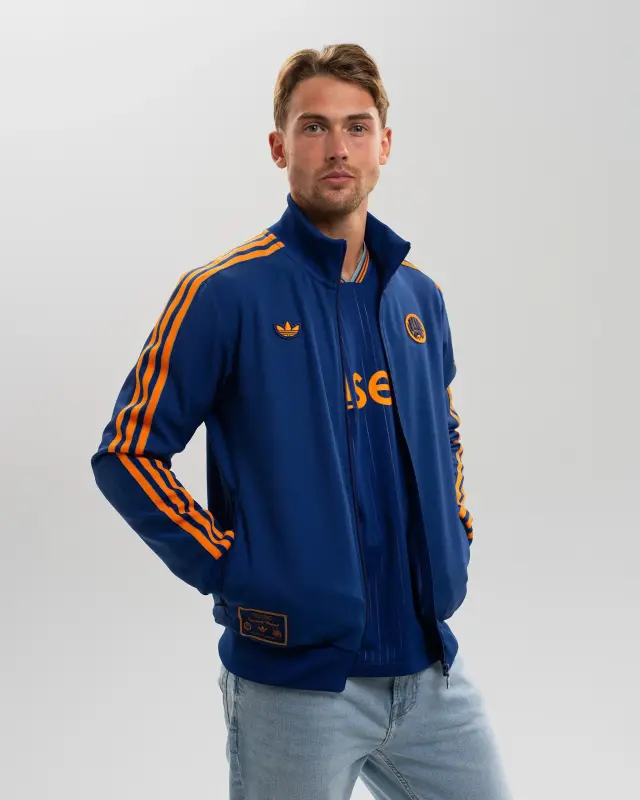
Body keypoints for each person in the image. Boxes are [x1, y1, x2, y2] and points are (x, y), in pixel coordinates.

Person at [91, 42, 513, 800]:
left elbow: (445, 428)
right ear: (279, 146)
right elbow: (127, 452)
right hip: (294, 691)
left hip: (429, 676)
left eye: (357, 127)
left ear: (385, 143)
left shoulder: (418, 296)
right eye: (314, 127)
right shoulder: (224, 293)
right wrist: (231, 567)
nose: (338, 147)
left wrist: (456, 534)